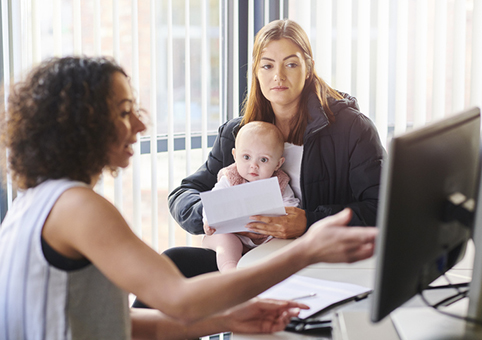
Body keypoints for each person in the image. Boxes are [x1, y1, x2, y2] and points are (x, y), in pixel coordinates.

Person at [0, 56, 378, 339]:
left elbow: (111, 325)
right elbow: (180, 298)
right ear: (82, 126)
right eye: (125, 112)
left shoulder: (37, 203)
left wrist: (225, 320)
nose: (142, 125)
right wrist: (308, 249)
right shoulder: (78, 208)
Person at [168, 19, 385, 273]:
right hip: (243, 259)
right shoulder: (237, 134)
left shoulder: (352, 130)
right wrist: (215, 211)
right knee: (171, 262)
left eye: (290, 64)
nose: (278, 76)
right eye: (267, 66)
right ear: (256, 72)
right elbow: (183, 195)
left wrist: (308, 221)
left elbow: (381, 207)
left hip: (315, 262)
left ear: (308, 69)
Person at [202, 121, 299, 272]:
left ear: (278, 164)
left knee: (284, 243)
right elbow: (213, 202)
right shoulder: (230, 177)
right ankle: (230, 270)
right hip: (235, 234)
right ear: (235, 155)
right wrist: (208, 221)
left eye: (264, 160)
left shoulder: (279, 183)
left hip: (268, 236)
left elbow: (291, 206)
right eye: (246, 157)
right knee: (225, 241)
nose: (254, 165)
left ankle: (269, 272)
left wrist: (285, 218)